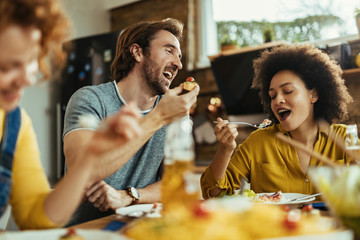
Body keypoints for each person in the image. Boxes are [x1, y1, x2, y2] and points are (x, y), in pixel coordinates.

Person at [0, 0, 143, 230]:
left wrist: (89, 158)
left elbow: (37, 216)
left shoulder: (14, 123)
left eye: (31, 62)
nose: (28, 79)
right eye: (7, 67)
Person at [63, 18, 200, 225]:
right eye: (169, 51)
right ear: (137, 52)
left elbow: (176, 184)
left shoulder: (172, 110)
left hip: (143, 229)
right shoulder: (91, 99)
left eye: (179, 56)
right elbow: (82, 171)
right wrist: (159, 117)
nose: (179, 64)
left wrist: (129, 195)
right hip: (86, 230)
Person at [200, 44, 355, 199]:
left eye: (288, 91)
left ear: (313, 95)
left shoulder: (345, 138)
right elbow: (213, 195)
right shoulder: (258, 142)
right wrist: (225, 150)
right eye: (272, 96)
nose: (278, 100)